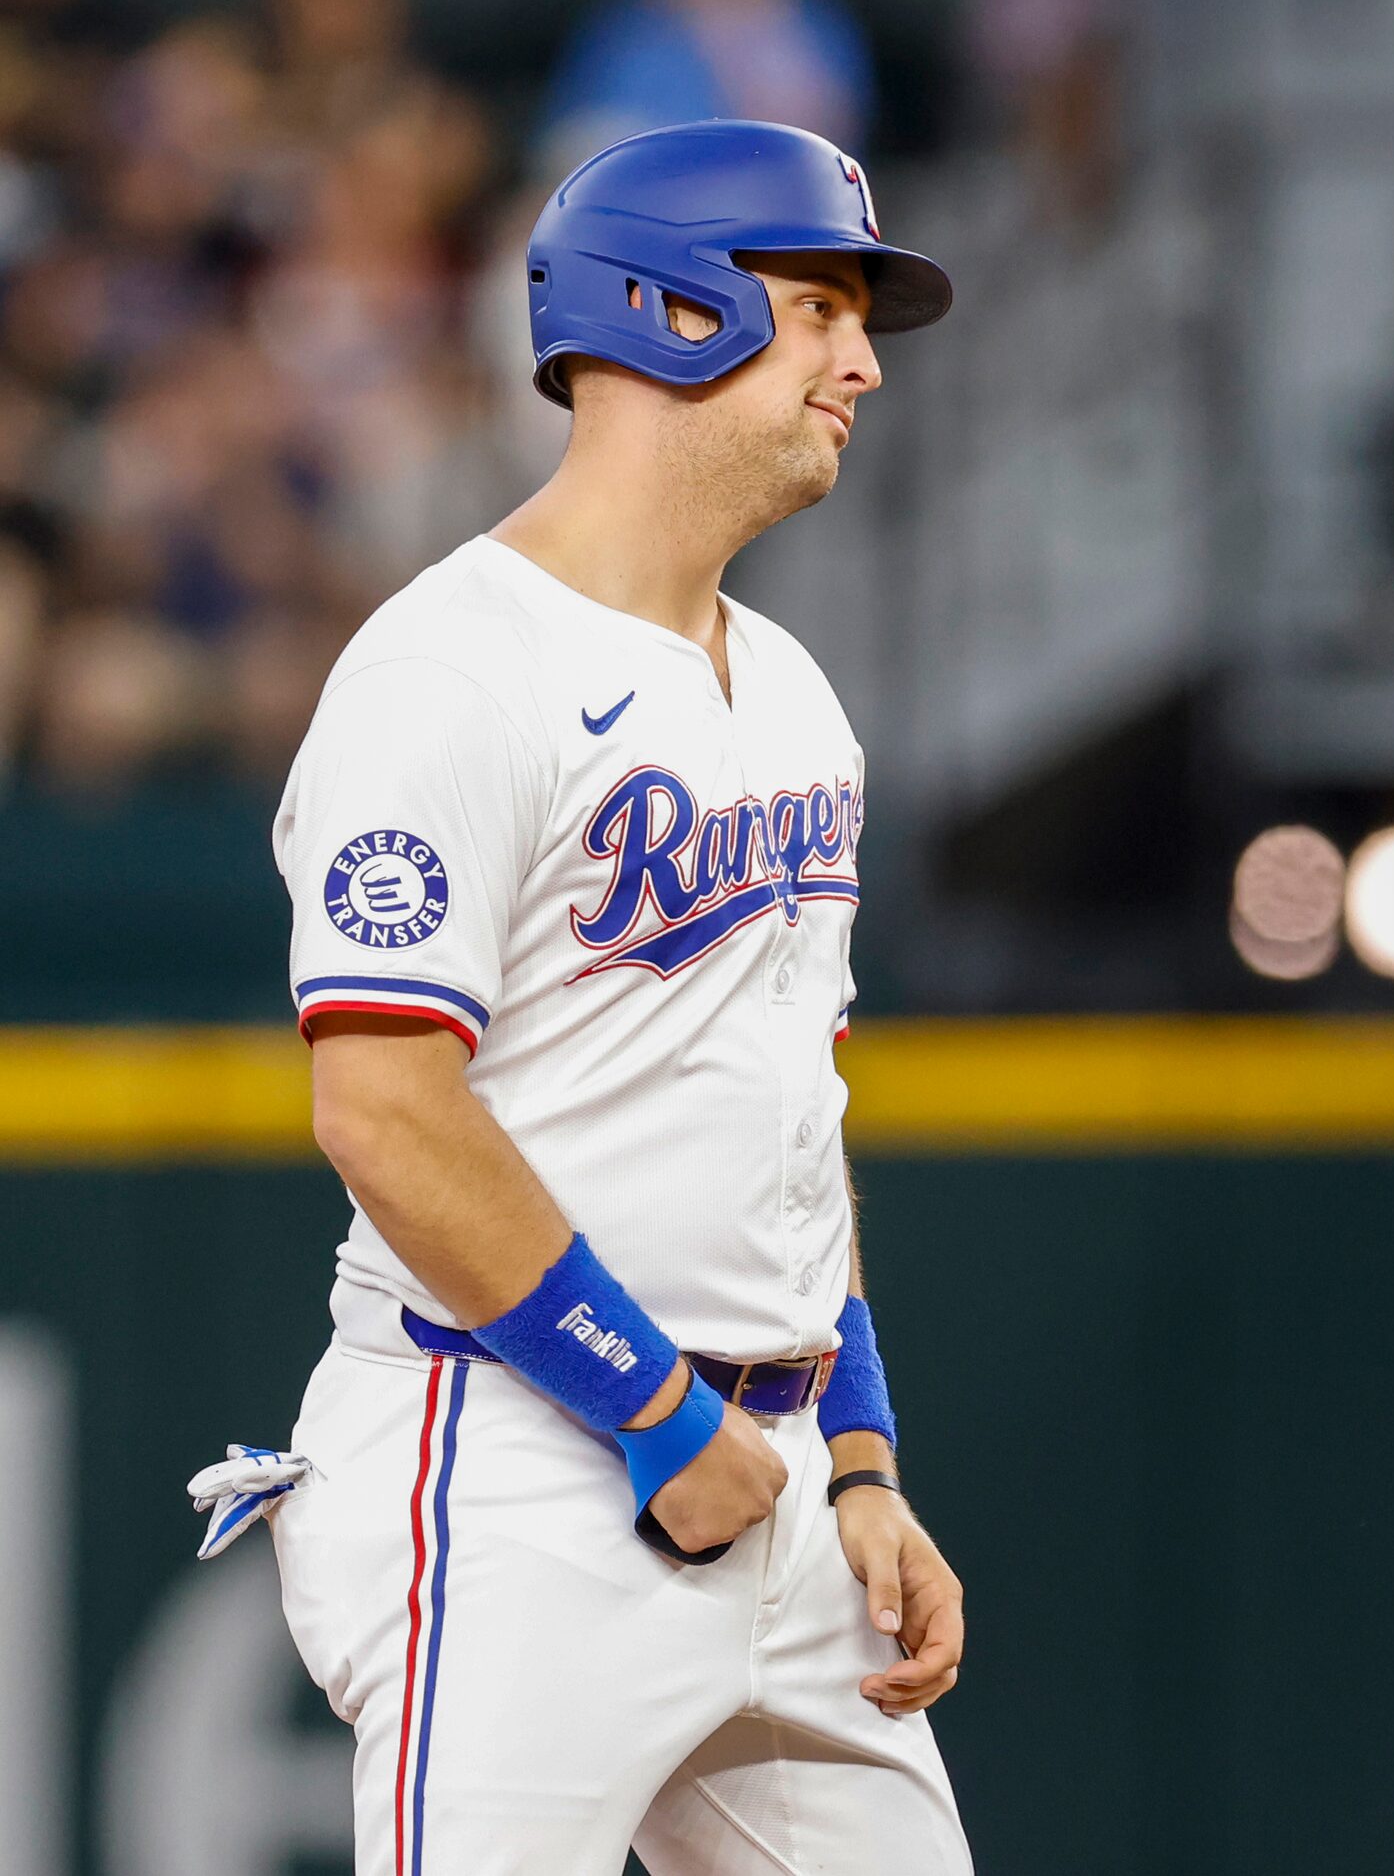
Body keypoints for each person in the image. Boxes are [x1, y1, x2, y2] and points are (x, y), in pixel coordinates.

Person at [246, 119, 970, 1873]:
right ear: (667, 312)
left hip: (769, 1473)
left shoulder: (793, 688)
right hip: (515, 1456)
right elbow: (382, 1108)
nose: (862, 360)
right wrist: (655, 1414)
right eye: (815, 308)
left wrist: (858, 1456)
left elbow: (795, 1109)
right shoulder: (449, 670)